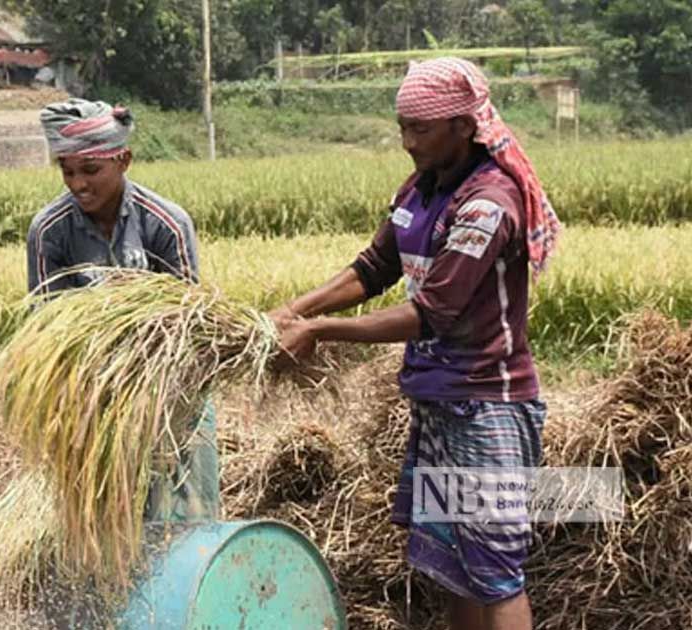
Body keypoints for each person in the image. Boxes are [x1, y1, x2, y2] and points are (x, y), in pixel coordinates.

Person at [269, 58, 562, 630]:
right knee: (453, 567)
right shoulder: (421, 189)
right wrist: (294, 309)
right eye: (402, 127)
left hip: (486, 409)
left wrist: (319, 332)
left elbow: (434, 310)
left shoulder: (487, 203)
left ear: (463, 126)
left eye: (420, 129)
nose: (407, 142)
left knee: (496, 572)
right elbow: (373, 267)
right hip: (437, 406)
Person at [27, 98, 217, 523]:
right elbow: (46, 333)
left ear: (124, 159)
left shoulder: (165, 223)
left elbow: (188, 326)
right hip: (89, 403)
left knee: (187, 520)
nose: (78, 184)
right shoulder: (49, 231)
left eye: (91, 170)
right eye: (68, 171)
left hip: (172, 399)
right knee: (103, 525)